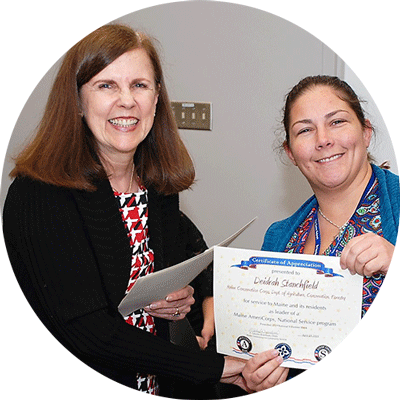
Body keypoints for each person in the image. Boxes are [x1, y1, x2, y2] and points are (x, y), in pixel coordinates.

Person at [2, 23, 285, 398]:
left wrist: (190, 295)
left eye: (139, 85)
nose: (127, 101)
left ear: (156, 98)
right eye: (106, 85)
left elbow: (192, 254)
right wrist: (215, 368)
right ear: (77, 100)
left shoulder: (156, 187)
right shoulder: (39, 195)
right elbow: (87, 331)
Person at [257, 75, 399, 384]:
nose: (323, 139)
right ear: (292, 152)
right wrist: (262, 380)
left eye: (336, 122)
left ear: (365, 132)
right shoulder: (278, 238)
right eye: (305, 130)